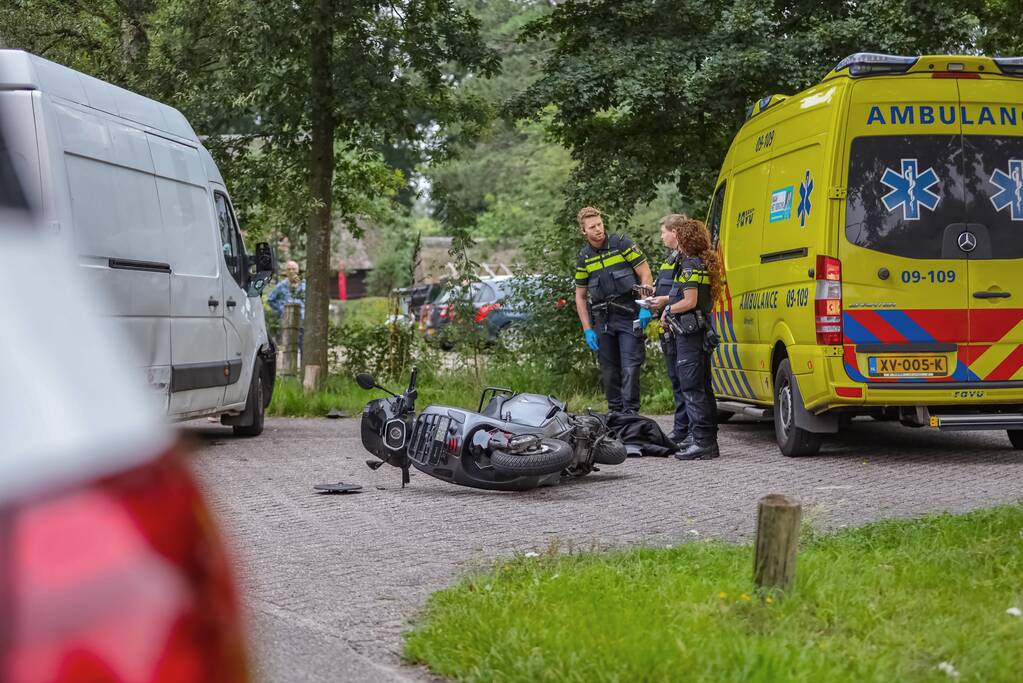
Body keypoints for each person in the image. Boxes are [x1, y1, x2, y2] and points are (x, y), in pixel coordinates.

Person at [574, 207, 653, 414]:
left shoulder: (622, 244)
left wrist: (645, 306)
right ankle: (616, 416)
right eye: (592, 227)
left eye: (600, 224)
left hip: (629, 313)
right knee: (609, 372)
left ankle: (631, 415)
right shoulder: (584, 257)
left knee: (630, 367)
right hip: (603, 319)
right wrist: (587, 329)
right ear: (584, 231)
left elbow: (645, 275)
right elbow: (580, 296)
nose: (598, 229)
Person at [659, 215, 721, 460]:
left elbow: (690, 301)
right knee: (703, 387)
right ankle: (703, 438)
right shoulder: (700, 263)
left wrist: (667, 310)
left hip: (689, 334)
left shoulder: (689, 265)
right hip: (699, 331)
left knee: (692, 387)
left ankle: (703, 442)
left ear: (684, 238)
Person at [647, 216, 690, 447]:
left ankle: (687, 429)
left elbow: (684, 292)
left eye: (664, 231)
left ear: (675, 232)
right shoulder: (671, 258)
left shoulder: (686, 259)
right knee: (675, 379)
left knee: (684, 381)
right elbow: (667, 285)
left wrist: (662, 301)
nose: (661, 236)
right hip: (667, 324)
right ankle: (681, 429)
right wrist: (651, 292)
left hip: (679, 323)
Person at [268, 260, 305, 349]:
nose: (291, 271)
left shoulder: (304, 285)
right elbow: (271, 299)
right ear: (286, 272)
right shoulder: (281, 286)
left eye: (294, 269)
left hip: (303, 321)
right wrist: (282, 310)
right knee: (290, 348)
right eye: (289, 269)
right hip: (288, 321)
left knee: (304, 347)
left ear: (298, 270)